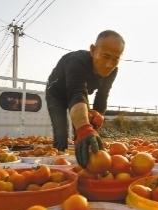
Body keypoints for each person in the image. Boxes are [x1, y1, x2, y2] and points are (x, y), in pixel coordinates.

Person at [45, 30, 125, 167]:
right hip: (57, 95)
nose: (109, 65)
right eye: (105, 56)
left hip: (79, 96)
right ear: (93, 50)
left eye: (115, 59)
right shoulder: (76, 61)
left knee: (86, 127)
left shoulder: (113, 71)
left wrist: (97, 116)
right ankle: (59, 162)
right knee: (61, 131)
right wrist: (84, 128)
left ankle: (85, 160)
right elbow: (77, 92)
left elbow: (102, 96)